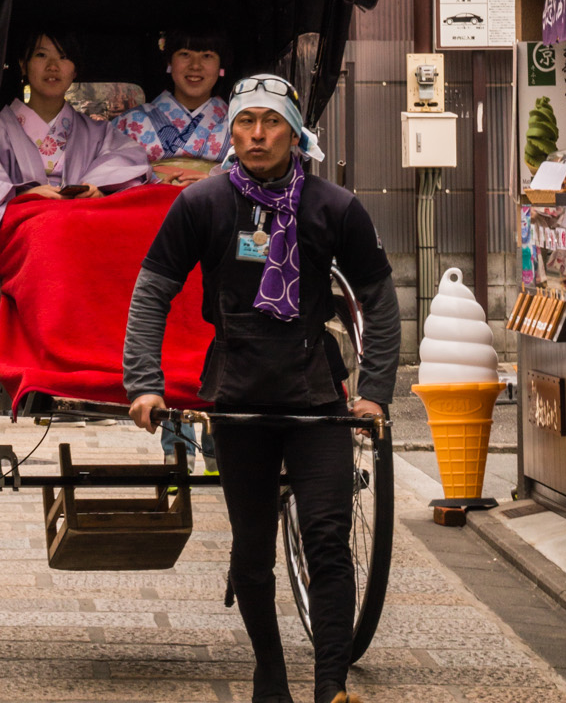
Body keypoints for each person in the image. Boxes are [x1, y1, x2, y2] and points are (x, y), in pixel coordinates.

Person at [124, 75, 400, 703]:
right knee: (252, 548)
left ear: (295, 132)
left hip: (316, 397)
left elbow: (380, 306)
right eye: (245, 121)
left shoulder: (336, 207)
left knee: (326, 537)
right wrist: (145, 382)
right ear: (231, 131)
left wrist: (376, 390)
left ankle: (331, 684)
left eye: (270, 122)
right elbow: (152, 295)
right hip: (239, 395)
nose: (256, 134)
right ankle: (269, 671)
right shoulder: (204, 203)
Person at [0, 31, 151, 240]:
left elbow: (129, 162)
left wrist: (97, 191)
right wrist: (25, 196)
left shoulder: (99, 132)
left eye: (63, 57)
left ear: (75, 70)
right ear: (23, 65)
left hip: (86, 225)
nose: (53, 66)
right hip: (24, 229)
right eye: (41, 55)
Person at [110, 38, 231, 177]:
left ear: (221, 64)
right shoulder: (130, 122)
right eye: (185, 54)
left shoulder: (239, 124)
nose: (195, 66)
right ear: (169, 62)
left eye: (207, 56)